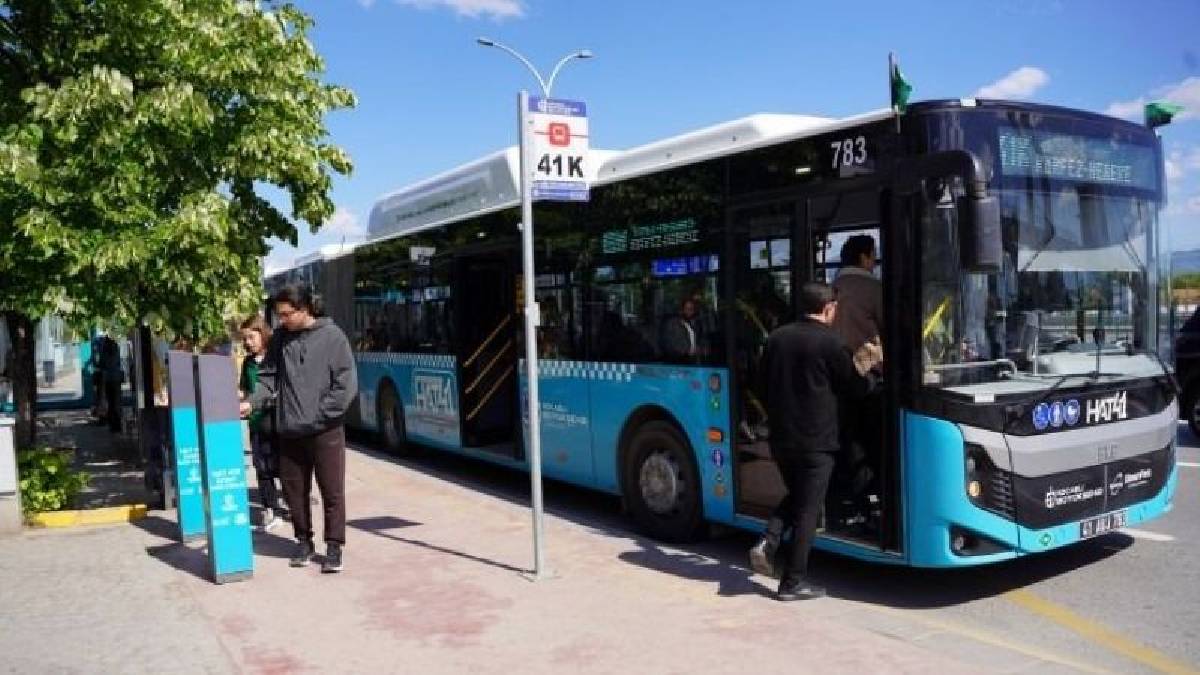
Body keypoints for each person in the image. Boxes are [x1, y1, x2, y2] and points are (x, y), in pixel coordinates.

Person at [749, 282, 881, 601]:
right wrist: (869, 370)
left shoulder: (776, 339)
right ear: (828, 308)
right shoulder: (832, 343)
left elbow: (760, 384)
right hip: (817, 441)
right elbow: (855, 388)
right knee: (808, 509)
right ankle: (792, 582)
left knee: (800, 495)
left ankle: (768, 541)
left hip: (781, 438)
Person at [241, 285, 357, 573]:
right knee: (295, 492)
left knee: (332, 491)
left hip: (326, 431)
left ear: (304, 309)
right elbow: (267, 378)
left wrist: (319, 415)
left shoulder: (333, 337)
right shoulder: (280, 339)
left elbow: (345, 385)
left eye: (286, 314)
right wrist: (251, 403)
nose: (281, 320)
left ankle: (334, 547)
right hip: (290, 430)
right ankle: (303, 542)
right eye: (278, 315)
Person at [239, 315, 284, 533]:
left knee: (283, 467)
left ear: (263, 334)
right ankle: (271, 510)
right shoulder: (247, 363)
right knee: (261, 467)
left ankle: (290, 505)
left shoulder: (275, 358)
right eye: (245, 339)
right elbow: (244, 390)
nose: (248, 342)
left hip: (278, 423)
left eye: (251, 337)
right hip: (256, 423)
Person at [831, 234, 883, 353]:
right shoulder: (874, 288)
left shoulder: (833, 286)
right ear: (864, 258)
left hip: (836, 357)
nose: (875, 264)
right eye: (873, 257)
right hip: (867, 358)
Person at [661, 298, 701, 363]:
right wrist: (686, 351)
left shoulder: (694, 324)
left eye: (691, 309)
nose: (689, 311)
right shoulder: (672, 323)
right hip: (678, 361)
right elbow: (669, 343)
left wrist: (699, 349)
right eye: (687, 308)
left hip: (693, 360)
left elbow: (698, 340)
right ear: (682, 310)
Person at [99, 335, 125, 433]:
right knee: (117, 402)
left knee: (110, 402)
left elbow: (101, 364)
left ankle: (112, 425)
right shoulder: (116, 348)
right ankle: (118, 424)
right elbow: (118, 362)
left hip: (108, 379)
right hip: (116, 378)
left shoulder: (104, 350)